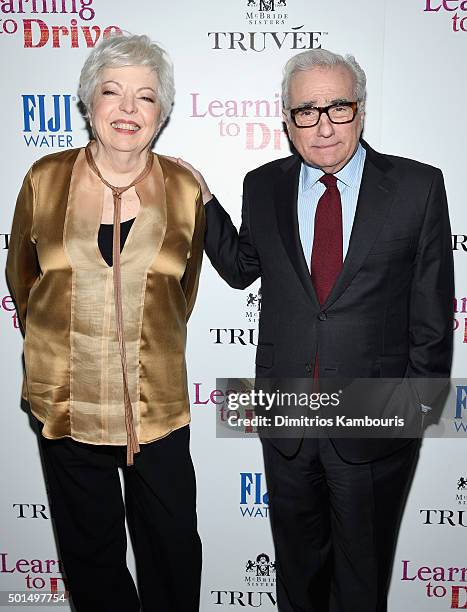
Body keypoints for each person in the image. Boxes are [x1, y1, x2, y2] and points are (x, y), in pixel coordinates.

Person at [176, 49, 454, 611]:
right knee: (298, 580)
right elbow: (240, 267)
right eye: (306, 110)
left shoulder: (418, 186)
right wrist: (203, 201)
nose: (323, 125)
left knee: (360, 583)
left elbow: (432, 315)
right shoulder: (262, 186)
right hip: (287, 421)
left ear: (362, 111)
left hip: (374, 422)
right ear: (286, 119)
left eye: (338, 107)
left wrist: (411, 417)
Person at [6, 33, 204, 612]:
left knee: (172, 551)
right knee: (90, 559)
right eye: (112, 91)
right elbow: (23, 279)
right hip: (65, 401)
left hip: (158, 407)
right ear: (88, 101)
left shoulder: (186, 188)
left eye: (145, 97)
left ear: (161, 113)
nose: (127, 109)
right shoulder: (45, 178)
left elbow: (182, 293)